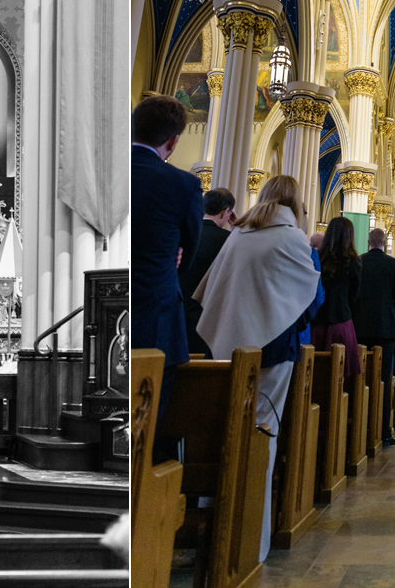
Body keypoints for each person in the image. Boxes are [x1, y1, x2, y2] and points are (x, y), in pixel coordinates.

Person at [194, 173, 317, 564]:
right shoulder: (292, 237)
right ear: (294, 202)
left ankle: (212, 532)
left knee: (222, 432)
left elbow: (210, 292)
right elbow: (309, 296)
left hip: (228, 347)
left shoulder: (238, 235)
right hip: (275, 350)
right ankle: (251, 540)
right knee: (264, 436)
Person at [131, 96, 199, 412]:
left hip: (106, 320)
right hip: (159, 314)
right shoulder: (183, 184)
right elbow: (191, 246)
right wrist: (170, 265)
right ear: (172, 141)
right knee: (151, 419)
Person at [179, 188, 235, 358]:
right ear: (227, 212)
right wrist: (237, 229)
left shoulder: (184, 233)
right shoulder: (228, 241)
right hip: (208, 319)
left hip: (177, 314)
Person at [315, 218, 362, 379]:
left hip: (317, 321)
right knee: (341, 376)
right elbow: (354, 295)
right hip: (341, 322)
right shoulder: (354, 262)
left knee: (315, 374)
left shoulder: (318, 258)